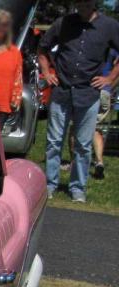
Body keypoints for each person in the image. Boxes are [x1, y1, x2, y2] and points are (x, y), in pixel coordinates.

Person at [39, 1, 119, 202]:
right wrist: (46, 72)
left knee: (83, 144)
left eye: (85, 4)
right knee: (54, 141)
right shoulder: (64, 23)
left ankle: (78, 188)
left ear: (93, 5)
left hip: (88, 93)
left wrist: (109, 78)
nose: (80, 7)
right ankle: (50, 184)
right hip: (62, 90)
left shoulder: (109, 26)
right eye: (79, 4)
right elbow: (42, 48)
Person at [92, 49, 118, 179]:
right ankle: (99, 161)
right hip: (105, 91)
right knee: (96, 129)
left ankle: (75, 162)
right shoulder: (113, 45)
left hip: (88, 89)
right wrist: (110, 88)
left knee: (76, 126)